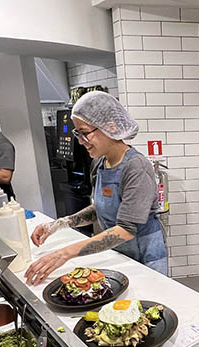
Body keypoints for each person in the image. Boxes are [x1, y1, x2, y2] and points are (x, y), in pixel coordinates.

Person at [25, 91, 167, 284]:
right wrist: (60, 224)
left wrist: (65, 253)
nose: (81, 141)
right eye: (78, 134)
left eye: (84, 133)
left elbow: (126, 229)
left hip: (145, 258)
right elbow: (101, 208)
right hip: (119, 254)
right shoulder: (100, 163)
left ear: (110, 127)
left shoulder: (137, 167)